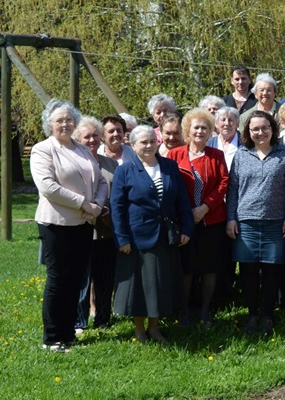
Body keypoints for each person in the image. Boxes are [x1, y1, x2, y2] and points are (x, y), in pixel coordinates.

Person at [32, 100, 108, 352]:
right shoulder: (43, 149)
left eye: (68, 119)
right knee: (58, 280)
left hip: (83, 224)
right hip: (57, 224)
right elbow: (48, 187)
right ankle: (52, 337)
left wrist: (96, 204)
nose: (64, 124)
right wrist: (85, 204)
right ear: (49, 125)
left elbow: (101, 182)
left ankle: (68, 335)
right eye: (59, 120)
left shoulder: (83, 149)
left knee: (75, 280)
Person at [110, 125, 191, 344]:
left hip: (166, 236)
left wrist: (186, 229)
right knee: (140, 286)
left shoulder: (169, 166)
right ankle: (139, 329)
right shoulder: (124, 171)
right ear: (133, 145)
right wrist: (122, 238)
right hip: (137, 238)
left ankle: (154, 328)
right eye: (143, 142)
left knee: (159, 285)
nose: (148, 146)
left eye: (151, 142)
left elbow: (182, 200)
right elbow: (116, 207)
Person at [226, 111, 285, 335]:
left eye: (264, 128)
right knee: (248, 271)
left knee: (271, 271)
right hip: (246, 222)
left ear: (272, 129)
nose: (260, 133)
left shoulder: (283, 154)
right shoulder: (241, 155)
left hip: (275, 222)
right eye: (255, 129)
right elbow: (233, 190)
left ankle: (267, 316)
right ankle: (252, 316)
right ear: (248, 131)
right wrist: (231, 218)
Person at [167, 109, 229, 328]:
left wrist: (205, 207)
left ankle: (205, 311)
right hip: (184, 220)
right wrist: (186, 212)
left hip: (211, 220)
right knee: (186, 268)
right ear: (188, 130)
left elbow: (223, 183)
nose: (200, 131)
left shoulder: (216, 155)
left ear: (210, 131)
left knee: (209, 267)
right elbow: (170, 185)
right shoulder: (175, 155)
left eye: (204, 127)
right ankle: (184, 311)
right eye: (196, 127)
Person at [73, 117, 118, 331]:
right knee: (82, 278)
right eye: (86, 136)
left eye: (95, 135)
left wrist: (108, 212)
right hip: (80, 228)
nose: (92, 140)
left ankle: (103, 319)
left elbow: (118, 194)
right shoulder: (72, 162)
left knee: (105, 277)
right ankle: (79, 322)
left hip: (107, 230)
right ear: (77, 139)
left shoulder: (110, 163)